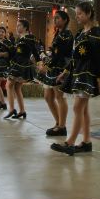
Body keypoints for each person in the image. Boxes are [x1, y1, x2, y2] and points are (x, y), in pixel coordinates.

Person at [51, 2, 100, 154]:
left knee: (77, 108)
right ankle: (86, 142)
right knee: (84, 109)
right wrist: (65, 72)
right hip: (78, 73)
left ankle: (70, 142)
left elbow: (98, 57)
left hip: (88, 74)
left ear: (88, 13)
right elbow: (75, 57)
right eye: (76, 14)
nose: (77, 17)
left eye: (80, 14)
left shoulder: (96, 32)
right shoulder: (81, 33)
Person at [37, 9, 73, 137]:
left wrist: (46, 65)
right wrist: (45, 59)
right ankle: (58, 123)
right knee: (48, 96)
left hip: (61, 68)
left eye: (57, 18)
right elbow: (53, 53)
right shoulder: (58, 33)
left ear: (65, 20)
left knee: (59, 97)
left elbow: (60, 55)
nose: (55, 20)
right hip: (53, 67)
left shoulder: (67, 34)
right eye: (54, 18)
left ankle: (62, 127)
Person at [4, 20, 39, 120]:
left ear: (25, 27)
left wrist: (39, 62)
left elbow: (34, 51)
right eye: (17, 25)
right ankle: (22, 111)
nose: (17, 27)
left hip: (22, 64)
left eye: (19, 25)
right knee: (17, 88)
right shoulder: (20, 38)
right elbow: (17, 53)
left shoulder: (29, 37)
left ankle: (11, 109)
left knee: (9, 84)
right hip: (17, 63)